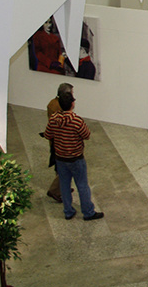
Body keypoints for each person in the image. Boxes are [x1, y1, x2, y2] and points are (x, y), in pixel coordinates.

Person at [43, 91, 104, 221]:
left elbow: (48, 134)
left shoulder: (54, 119)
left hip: (60, 158)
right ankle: (88, 212)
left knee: (64, 185)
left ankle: (68, 211)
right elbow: (86, 135)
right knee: (82, 185)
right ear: (72, 104)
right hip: (76, 159)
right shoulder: (76, 121)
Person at [43, 83, 75, 203]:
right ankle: (54, 190)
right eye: (71, 93)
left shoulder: (52, 103)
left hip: (56, 141)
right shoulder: (59, 108)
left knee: (61, 167)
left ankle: (63, 188)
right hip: (61, 143)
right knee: (64, 168)